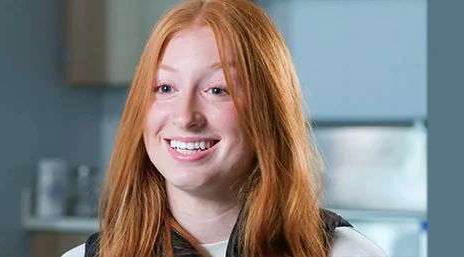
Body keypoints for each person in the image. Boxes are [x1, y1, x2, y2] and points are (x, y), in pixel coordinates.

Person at [61, 0, 386, 256]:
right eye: (164, 88)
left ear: (268, 111)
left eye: (218, 90)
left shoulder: (346, 253)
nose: (185, 116)